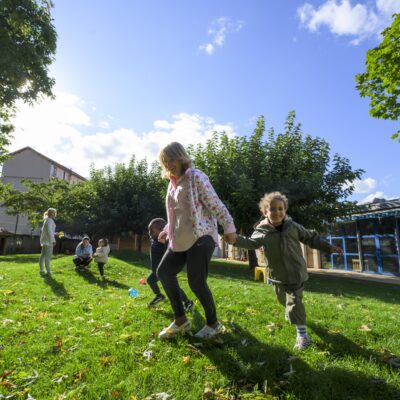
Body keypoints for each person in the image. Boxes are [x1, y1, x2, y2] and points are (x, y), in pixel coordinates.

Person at [225, 191, 343, 350]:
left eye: (280, 208)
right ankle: (293, 314)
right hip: (277, 275)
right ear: (265, 212)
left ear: (285, 210)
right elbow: (252, 243)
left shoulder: (293, 227)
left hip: (296, 273)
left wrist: (329, 248)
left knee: (294, 302)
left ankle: (302, 336)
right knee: (283, 301)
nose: (277, 212)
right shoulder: (262, 230)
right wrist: (235, 240)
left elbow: (311, 238)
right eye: (272, 209)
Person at [156, 142, 236, 340]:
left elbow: (215, 203)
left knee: (196, 281)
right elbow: (176, 214)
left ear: (181, 157)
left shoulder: (196, 176)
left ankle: (213, 324)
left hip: (202, 236)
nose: (168, 165)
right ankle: (180, 320)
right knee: (164, 272)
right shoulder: (172, 184)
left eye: (171, 159)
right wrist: (167, 230)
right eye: (164, 162)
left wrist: (229, 227)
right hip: (180, 239)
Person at [147, 217, 194, 311]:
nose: (150, 233)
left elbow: (169, 250)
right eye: (149, 231)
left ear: (162, 231)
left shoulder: (165, 242)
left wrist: (165, 240)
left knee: (174, 287)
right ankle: (159, 295)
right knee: (150, 280)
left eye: (152, 231)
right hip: (156, 271)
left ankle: (187, 302)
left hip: (165, 270)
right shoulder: (154, 240)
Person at [39, 208, 57, 276]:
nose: (54, 214)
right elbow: (49, 231)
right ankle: (48, 271)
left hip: (46, 241)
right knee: (47, 257)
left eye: (54, 212)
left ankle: (41, 270)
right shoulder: (49, 220)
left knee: (42, 256)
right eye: (53, 212)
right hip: (48, 241)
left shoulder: (47, 220)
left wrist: (56, 234)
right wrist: (53, 240)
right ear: (49, 213)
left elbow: (49, 231)